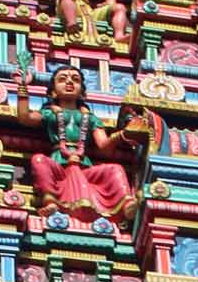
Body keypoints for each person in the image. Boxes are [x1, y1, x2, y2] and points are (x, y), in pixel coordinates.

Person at [27, 65, 142, 225]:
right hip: (59, 168)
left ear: (82, 92)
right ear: (53, 91)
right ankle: (50, 200)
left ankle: (126, 204)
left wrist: (122, 135)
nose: (69, 82)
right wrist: (22, 88)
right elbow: (25, 118)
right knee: (39, 160)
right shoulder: (49, 113)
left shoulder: (90, 118)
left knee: (115, 169)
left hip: (84, 168)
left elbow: (103, 146)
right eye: (62, 79)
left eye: (75, 79)